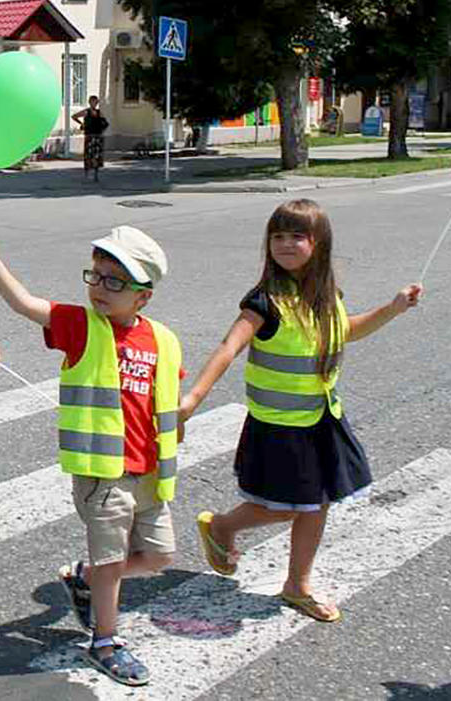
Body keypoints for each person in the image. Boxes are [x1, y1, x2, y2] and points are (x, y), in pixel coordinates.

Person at [178, 199, 422, 624]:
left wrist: (393, 308)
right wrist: (192, 400)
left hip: (322, 419)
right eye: (277, 236)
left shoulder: (326, 296)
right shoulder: (264, 302)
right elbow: (229, 346)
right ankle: (221, 527)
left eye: (297, 236)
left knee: (318, 503)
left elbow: (346, 331)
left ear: (319, 244)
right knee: (293, 505)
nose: (285, 244)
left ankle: (297, 585)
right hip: (280, 426)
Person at [0, 217, 181, 687]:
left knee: (161, 555)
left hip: (150, 475)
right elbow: (26, 305)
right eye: (96, 276)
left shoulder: (163, 340)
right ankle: (105, 641)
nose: (100, 289)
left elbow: (165, 402)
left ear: (143, 295)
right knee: (111, 565)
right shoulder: (81, 326)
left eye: (115, 281)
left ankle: (84, 577)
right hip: (102, 476)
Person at [72, 95, 109, 182]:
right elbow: (74, 116)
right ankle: (87, 174)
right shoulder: (86, 112)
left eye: (95, 102)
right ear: (89, 102)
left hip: (97, 137)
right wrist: (82, 124)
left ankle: (96, 175)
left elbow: (106, 124)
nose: (94, 104)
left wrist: (102, 131)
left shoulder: (99, 113)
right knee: (88, 156)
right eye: (92, 102)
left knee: (96, 156)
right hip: (89, 136)